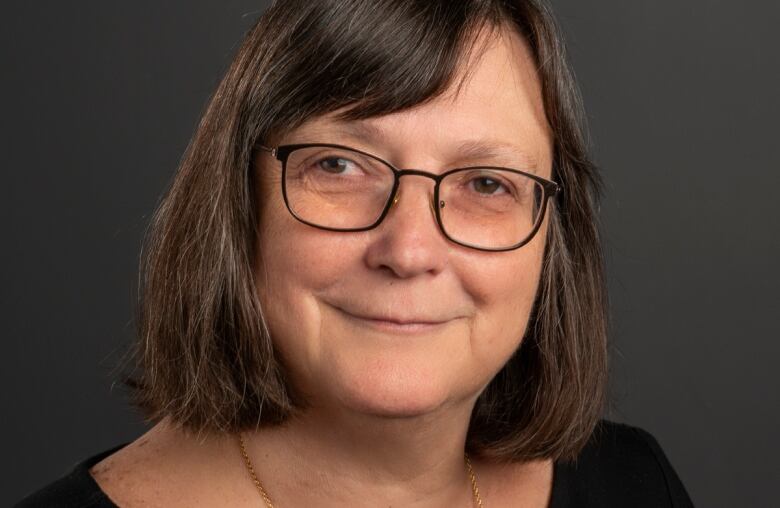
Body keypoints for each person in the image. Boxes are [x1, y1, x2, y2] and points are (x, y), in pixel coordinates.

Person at [17, 0, 695, 506]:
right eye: (340, 166)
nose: (408, 249)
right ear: (238, 201)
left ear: (553, 237)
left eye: (487, 184)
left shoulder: (633, 484)